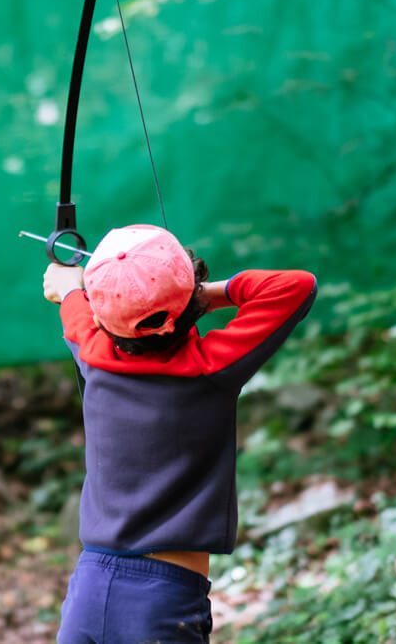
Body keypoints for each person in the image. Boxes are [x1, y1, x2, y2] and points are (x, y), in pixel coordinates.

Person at [42, 224, 317, 643]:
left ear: (101, 316)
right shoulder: (209, 368)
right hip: (162, 600)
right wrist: (192, 297)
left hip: (89, 589)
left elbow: (74, 305)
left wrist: (71, 288)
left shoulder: (93, 354)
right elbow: (295, 286)